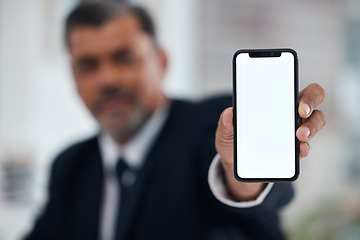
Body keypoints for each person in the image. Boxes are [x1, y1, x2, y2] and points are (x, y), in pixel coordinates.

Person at [24, 2, 326, 240]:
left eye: (124, 58)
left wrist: (240, 173)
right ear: (74, 78)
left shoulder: (211, 123)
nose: (108, 79)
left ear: (162, 61)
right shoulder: (70, 165)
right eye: (88, 65)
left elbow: (244, 187)